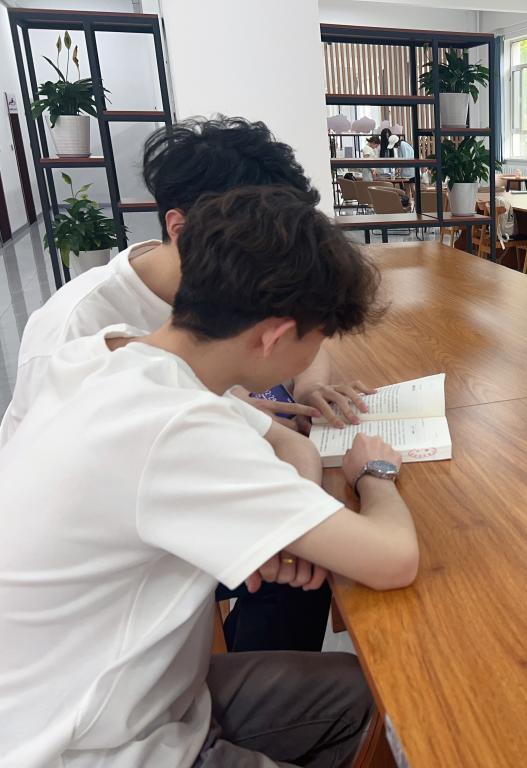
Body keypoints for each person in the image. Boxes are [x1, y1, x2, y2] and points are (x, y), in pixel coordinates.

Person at [0, 185, 419, 767]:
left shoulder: (106, 355)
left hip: (124, 697)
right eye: (319, 338)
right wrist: (374, 473)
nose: (315, 357)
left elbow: (278, 448)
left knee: (369, 697)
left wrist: (276, 536)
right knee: (400, 707)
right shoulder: (175, 427)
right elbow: (394, 558)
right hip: (94, 748)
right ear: (274, 336)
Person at [0, 116, 370, 652]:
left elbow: (300, 334)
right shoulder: (81, 329)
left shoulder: (224, 292)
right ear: (180, 228)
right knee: (309, 564)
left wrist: (309, 389)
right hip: (112, 559)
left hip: (183, 495)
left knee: (307, 564)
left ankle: (256, 679)